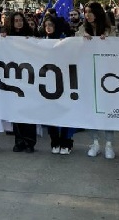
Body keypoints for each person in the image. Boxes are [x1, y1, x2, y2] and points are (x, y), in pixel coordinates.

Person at [77, 2, 117, 159]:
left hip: (107, 77)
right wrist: (82, 39)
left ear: (98, 13)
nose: (88, 14)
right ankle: (95, 142)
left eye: (91, 12)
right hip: (87, 76)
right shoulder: (81, 30)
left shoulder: (111, 30)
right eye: (86, 12)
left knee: (107, 109)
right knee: (90, 110)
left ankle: (109, 144)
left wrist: (108, 42)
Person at [0, 12, 37, 153]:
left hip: (28, 77)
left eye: (21, 20)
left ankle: (30, 142)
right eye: (16, 21)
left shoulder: (30, 34)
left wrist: (32, 41)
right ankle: (19, 141)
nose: (19, 23)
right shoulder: (6, 36)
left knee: (29, 110)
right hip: (13, 77)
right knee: (16, 111)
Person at [42, 16, 75, 154]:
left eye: (51, 25)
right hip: (48, 83)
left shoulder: (65, 41)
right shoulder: (42, 42)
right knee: (50, 113)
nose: (48, 27)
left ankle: (66, 142)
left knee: (65, 112)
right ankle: (54, 141)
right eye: (46, 25)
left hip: (65, 82)